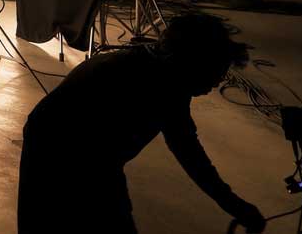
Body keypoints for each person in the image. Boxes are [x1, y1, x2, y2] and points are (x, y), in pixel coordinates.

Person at [18, 13, 267, 234]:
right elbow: (189, 153)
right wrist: (235, 205)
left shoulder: (166, 76)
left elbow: (187, 150)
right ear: (192, 62)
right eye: (215, 71)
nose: (218, 81)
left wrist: (234, 205)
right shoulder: (149, 83)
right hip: (57, 151)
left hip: (88, 155)